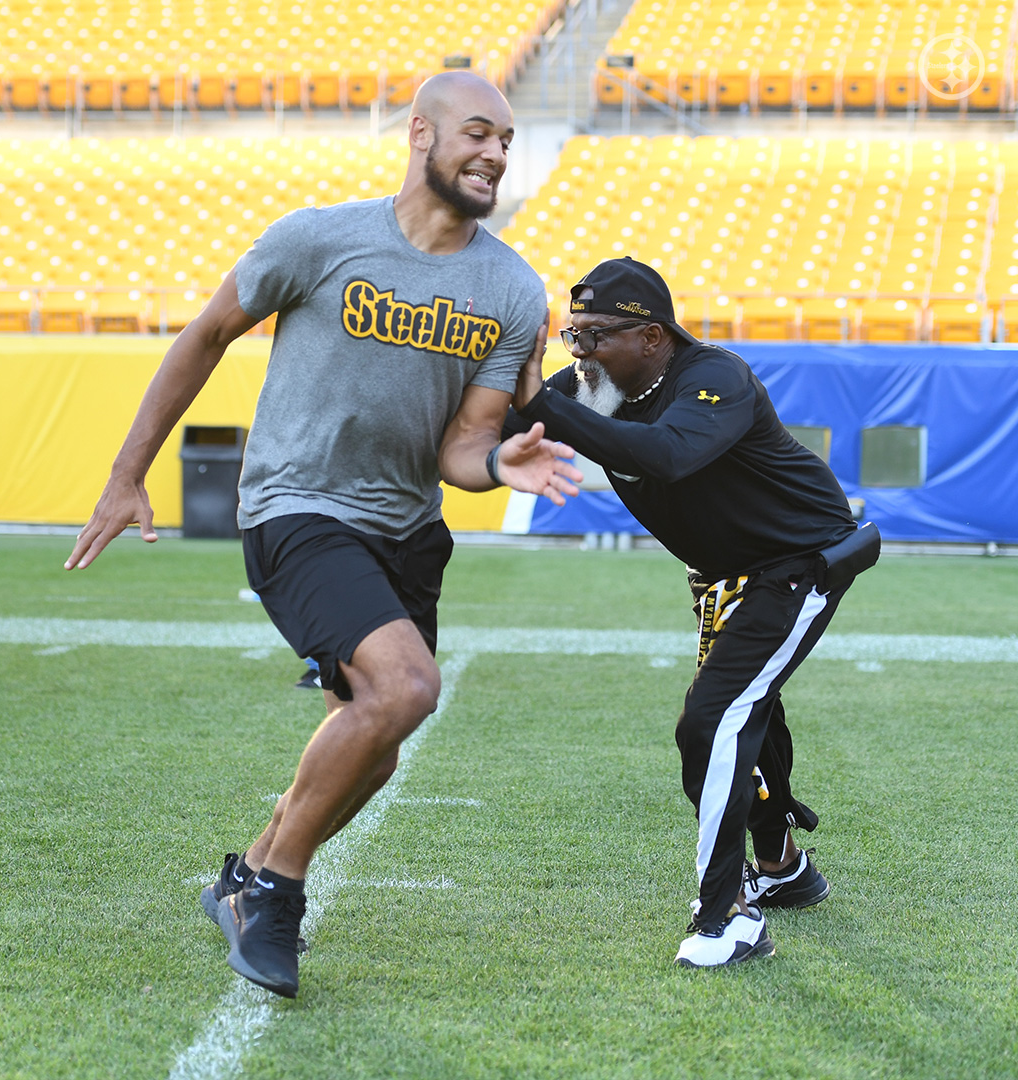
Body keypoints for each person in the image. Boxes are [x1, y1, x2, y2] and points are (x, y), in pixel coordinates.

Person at [65, 70, 582, 998]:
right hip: (297, 508)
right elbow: (206, 335)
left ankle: (245, 873)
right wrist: (126, 473)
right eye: (478, 134)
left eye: (507, 142)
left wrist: (496, 467)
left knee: (374, 748)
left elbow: (464, 445)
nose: (496, 155)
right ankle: (274, 894)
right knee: (408, 685)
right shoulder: (316, 238)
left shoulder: (511, 288)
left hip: (406, 530)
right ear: (421, 134)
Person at [506, 256, 879, 968]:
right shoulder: (590, 387)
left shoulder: (715, 376)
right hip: (721, 573)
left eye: (593, 337)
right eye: (570, 334)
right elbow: (503, 416)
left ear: (651, 337)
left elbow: (670, 455)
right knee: (747, 714)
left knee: (713, 721)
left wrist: (549, 407)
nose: (577, 353)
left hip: (797, 563)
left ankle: (727, 919)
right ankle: (782, 868)